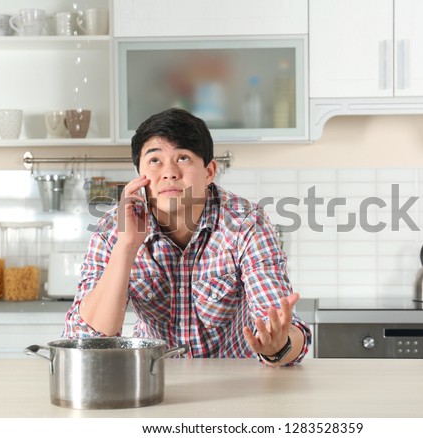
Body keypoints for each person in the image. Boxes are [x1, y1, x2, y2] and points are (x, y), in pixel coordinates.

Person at [63, 108, 311, 366]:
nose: (169, 172)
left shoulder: (247, 223)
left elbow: (285, 328)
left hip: (235, 382)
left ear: (209, 172)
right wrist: (126, 246)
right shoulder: (114, 228)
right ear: (139, 174)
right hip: (152, 378)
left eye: (183, 158)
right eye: (155, 160)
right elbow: (87, 337)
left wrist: (277, 348)